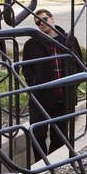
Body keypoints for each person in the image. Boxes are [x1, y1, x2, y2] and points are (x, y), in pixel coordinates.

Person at [22, 9, 82, 161]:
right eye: (37, 22)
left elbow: (80, 65)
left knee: (60, 135)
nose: (41, 23)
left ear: (52, 18)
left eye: (43, 19)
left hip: (64, 98)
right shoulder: (32, 44)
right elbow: (26, 69)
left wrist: (72, 86)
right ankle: (40, 164)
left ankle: (54, 164)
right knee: (38, 134)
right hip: (41, 98)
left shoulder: (69, 40)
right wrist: (35, 84)